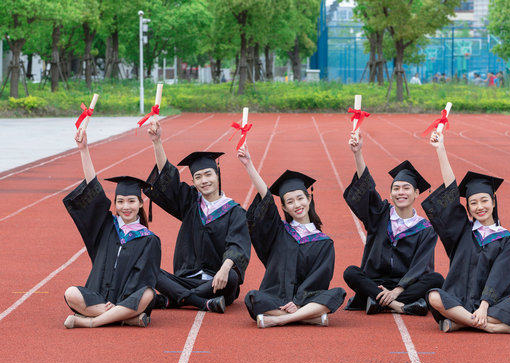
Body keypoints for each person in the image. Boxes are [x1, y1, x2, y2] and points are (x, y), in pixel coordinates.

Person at [423, 130, 510, 334]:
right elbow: (451, 194)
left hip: (490, 305)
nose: (480, 207)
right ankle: (492, 327)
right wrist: (441, 150)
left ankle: (461, 322)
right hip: (458, 299)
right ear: (468, 208)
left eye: (484, 201)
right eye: (473, 203)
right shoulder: (463, 231)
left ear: (493, 201)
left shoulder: (506, 240)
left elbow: (501, 275)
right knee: (434, 296)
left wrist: (484, 305)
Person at [144, 120, 251, 313]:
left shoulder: (234, 211)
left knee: (232, 278)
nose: (204, 181)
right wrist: (157, 141)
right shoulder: (191, 202)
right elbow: (169, 181)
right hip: (187, 277)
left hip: (218, 280)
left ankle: (174, 299)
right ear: (193, 180)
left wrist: (224, 269)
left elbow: (238, 245)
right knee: (147, 267)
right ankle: (200, 301)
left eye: (208, 174)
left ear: (217, 175)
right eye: (198, 177)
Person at [238, 143, 346, 328]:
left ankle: (280, 319)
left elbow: (319, 278)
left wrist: (297, 301)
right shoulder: (279, 232)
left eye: (300, 198)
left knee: (337, 293)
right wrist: (249, 165)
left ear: (309, 199)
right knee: (252, 298)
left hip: (306, 299)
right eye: (290, 201)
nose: (297, 204)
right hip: (276, 296)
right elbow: (266, 200)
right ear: (284, 207)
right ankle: (310, 317)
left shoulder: (324, 243)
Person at [63, 128, 160, 329]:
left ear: (141, 204)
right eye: (121, 201)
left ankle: (91, 322)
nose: (126, 207)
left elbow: (143, 278)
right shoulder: (107, 226)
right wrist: (84, 150)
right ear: (114, 203)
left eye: (131, 201)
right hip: (99, 295)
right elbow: (93, 190)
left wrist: (123, 300)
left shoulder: (149, 239)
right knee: (71, 293)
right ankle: (126, 318)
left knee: (148, 294)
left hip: (127, 299)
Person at [342, 131, 443, 316]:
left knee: (436, 279)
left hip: (404, 285)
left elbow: (421, 265)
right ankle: (399, 306)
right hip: (374, 280)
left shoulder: (426, 229)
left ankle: (377, 300)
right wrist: (358, 153)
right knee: (350, 272)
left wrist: (397, 290)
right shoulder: (380, 215)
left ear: (416, 193)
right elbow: (367, 189)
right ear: (390, 194)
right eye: (396, 188)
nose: (400, 192)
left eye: (406, 188)